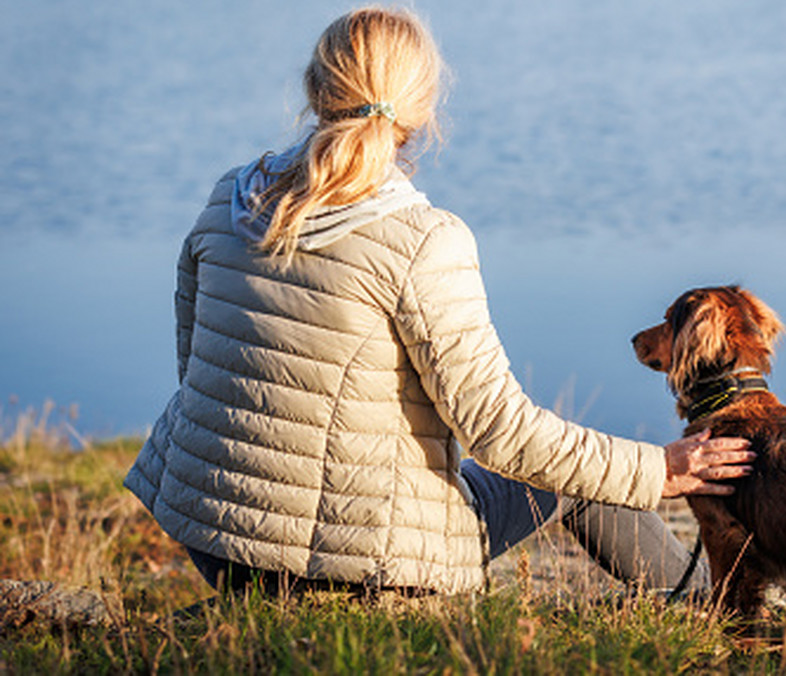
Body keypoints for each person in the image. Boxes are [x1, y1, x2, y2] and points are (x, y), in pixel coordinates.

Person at [124, 7, 753, 599]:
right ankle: (712, 615)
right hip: (358, 566)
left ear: (315, 89)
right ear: (422, 111)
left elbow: (196, 368)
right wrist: (660, 469)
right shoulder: (423, 241)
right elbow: (500, 433)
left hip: (214, 540)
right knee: (595, 476)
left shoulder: (230, 198)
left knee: (588, 465)